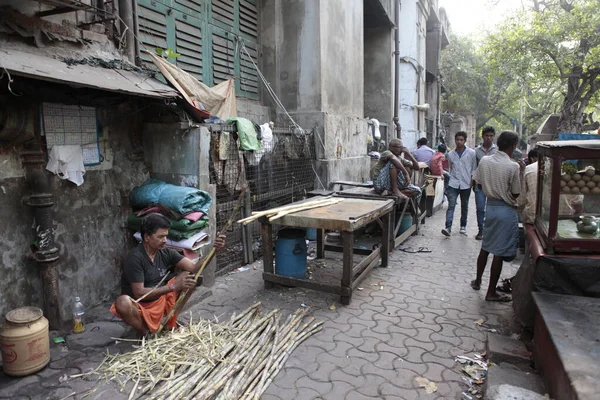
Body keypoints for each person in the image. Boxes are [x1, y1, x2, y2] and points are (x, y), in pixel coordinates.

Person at [110, 213, 226, 335]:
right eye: (160, 237)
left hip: (160, 299)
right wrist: (173, 287)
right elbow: (139, 293)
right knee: (122, 303)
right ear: (146, 237)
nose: (164, 240)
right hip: (142, 306)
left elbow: (194, 267)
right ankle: (146, 332)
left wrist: (214, 250)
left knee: (189, 278)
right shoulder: (135, 258)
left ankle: (171, 319)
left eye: (166, 236)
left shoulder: (165, 252)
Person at [470, 131, 522, 302]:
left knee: (485, 247)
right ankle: (491, 292)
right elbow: (515, 193)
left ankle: (477, 281)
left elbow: (477, 181)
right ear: (513, 146)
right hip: (505, 210)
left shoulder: (485, 161)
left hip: (490, 207)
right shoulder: (513, 166)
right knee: (498, 252)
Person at [442, 131, 477, 236]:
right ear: (455, 140)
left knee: (464, 206)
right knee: (451, 205)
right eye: (457, 140)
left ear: (465, 141)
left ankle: (463, 226)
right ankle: (448, 227)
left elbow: (473, 168)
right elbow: (450, 168)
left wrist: (471, 182)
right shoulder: (450, 154)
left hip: (466, 183)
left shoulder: (471, 153)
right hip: (453, 183)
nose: (459, 142)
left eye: (461, 140)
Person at [473, 126, 498, 240]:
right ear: (483, 136)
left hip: (493, 185)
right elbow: (474, 168)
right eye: (487, 135)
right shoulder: (477, 151)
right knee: (480, 208)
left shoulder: (497, 151)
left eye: (491, 136)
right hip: (480, 184)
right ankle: (481, 230)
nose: (489, 138)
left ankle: (491, 231)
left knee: (492, 209)